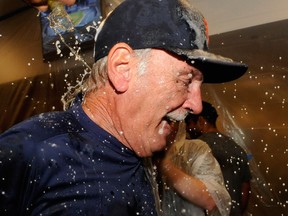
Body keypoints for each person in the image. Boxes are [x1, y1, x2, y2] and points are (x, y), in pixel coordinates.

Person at [0, 0, 248, 215]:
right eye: (186, 80)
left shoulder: (139, 154)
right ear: (122, 69)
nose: (195, 105)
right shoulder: (32, 150)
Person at [186, 101, 252, 216]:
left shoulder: (195, 147)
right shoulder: (237, 148)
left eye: (189, 123)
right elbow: (245, 188)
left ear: (201, 121)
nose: (187, 129)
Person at [158, 121, 231, 216]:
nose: (167, 127)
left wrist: (165, 165)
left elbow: (211, 199)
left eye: (171, 121)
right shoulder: (141, 156)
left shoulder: (194, 149)